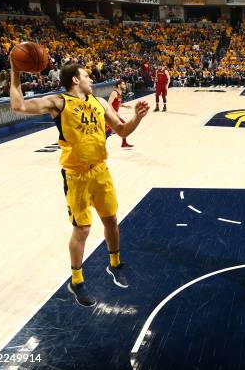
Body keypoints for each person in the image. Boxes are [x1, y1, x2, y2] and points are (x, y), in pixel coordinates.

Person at [9, 61, 149, 307]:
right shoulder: (59, 102)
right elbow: (18, 105)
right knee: (82, 229)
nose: (91, 80)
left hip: (101, 171)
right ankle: (76, 281)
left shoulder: (100, 103)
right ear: (75, 80)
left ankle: (115, 265)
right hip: (76, 175)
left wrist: (136, 117)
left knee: (111, 220)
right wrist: (15, 71)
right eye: (87, 76)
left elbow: (123, 130)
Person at [107, 79, 134, 148]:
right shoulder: (114, 93)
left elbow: (118, 103)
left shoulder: (119, 93)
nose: (125, 85)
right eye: (123, 84)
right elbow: (109, 104)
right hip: (110, 115)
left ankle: (124, 143)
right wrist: (115, 112)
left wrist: (125, 106)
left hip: (113, 115)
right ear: (119, 85)